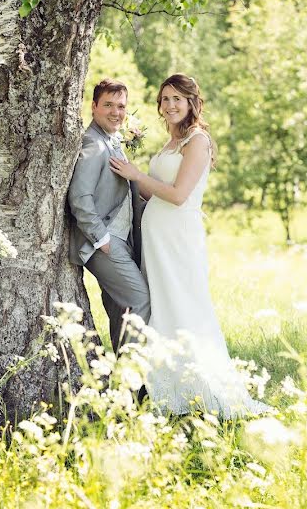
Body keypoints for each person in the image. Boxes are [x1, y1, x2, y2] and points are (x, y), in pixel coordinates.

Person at [109, 74, 270, 418]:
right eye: (165, 99)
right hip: (157, 240)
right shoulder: (170, 143)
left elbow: (179, 196)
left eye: (177, 99)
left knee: (185, 306)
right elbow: (152, 191)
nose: (170, 105)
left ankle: (203, 390)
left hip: (178, 240)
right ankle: (168, 386)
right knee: (162, 307)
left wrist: (136, 175)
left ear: (192, 102)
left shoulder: (198, 141)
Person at [67, 78, 150, 353]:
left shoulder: (112, 140)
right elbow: (80, 197)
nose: (116, 112)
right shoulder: (92, 143)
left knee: (121, 311)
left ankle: (126, 389)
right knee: (140, 299)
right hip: (102, 243)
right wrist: (101, 239)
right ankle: (130, 383)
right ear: (93, 107)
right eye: (108, 105)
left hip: (121, 239)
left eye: (121, 106)